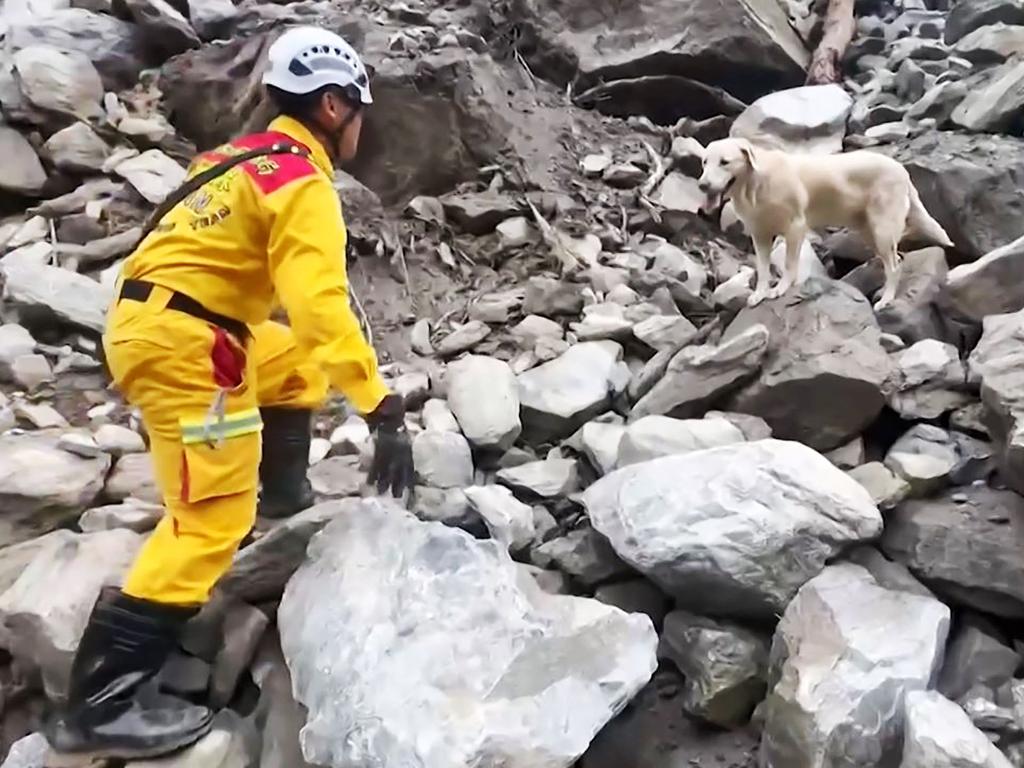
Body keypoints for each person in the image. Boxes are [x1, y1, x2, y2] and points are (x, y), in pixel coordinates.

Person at [44, 26, 413, 763]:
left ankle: (281, 498)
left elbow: (292, 325)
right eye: (360, 112)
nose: (361, 128)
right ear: (335, 107)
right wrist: (382, 409)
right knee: (209, 517)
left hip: (163, 323)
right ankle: (100, 700)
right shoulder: (302, 182)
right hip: (189, 349)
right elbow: (320, 307)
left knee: (291, 362)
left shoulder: (235, 161)